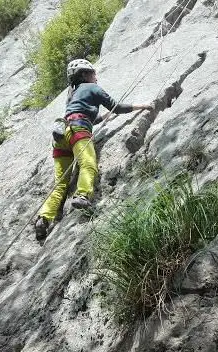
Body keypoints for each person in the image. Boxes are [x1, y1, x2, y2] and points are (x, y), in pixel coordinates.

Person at [35, 59, 153, 241]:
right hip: (78, 131)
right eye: (93, 73)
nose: (96, 77)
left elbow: (88, 116)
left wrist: (105, 116)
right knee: (88, 164)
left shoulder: (73, 94)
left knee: (61, 184)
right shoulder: (92, 88)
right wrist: (142, 106)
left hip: (62, 136)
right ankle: (82, 195)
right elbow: (118, 107)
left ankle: (44, 218)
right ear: (84, 75)